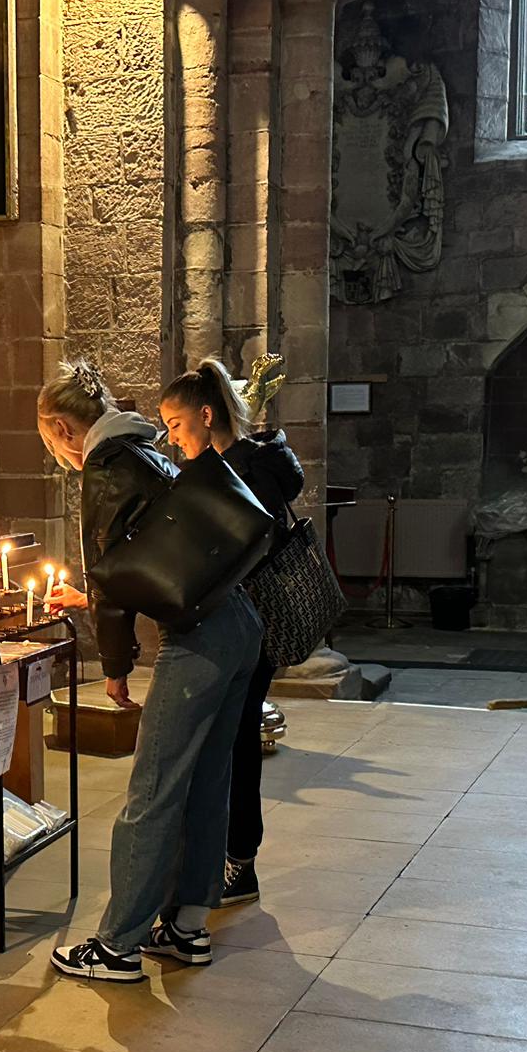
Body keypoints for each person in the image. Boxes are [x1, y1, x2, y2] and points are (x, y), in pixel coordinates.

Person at [38, 360, 263, 982]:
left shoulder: (107, 469)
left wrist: (114, 667)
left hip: (201, 639)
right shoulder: (146, 446)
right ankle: (185, 927)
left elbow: (111, 581)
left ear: (61, 427)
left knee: (153, 788)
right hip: (239, 623)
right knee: (204, 781)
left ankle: (117, 946)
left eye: (51, 441)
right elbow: (156, 560)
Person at [160, 358, 304, 907]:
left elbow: (241, 552)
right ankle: (230, 855)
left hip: (253, 623)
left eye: (176, 425)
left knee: (238, 740)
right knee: (231, 738)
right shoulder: (239, 463)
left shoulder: (243, 470)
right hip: (244, 622)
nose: (173, 440)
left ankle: (239, 862)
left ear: (204, 414)